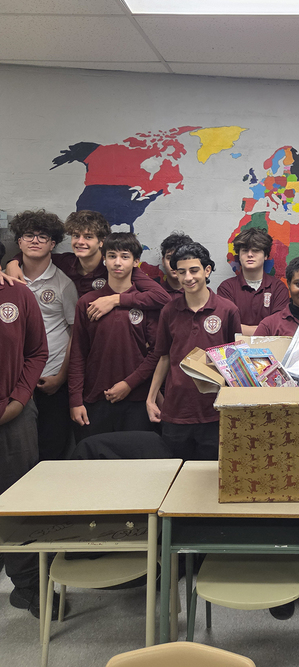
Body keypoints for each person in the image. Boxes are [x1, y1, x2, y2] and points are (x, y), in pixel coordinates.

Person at [146, 242, 241, 461]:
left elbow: (235, 362)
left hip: (215, 411)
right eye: (182, 272)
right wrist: (151, 399)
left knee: (210, 473)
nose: (188, 277)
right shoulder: (169, 311)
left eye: (194, 270)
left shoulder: (228, 310)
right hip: (176, 411)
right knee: (176, 471)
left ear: (207, 270)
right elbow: (164, 357)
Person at [69, 233, 167, 441]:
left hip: (137, 399)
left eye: (125, 256)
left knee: (134, 457)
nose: (117, 262)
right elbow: (78, 353)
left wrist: (129, 383)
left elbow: (156, 353)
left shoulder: (146, 303)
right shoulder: (88, 302)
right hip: (95, 398)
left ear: (136, 261)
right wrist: (75, 400)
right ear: (104, 259)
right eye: (112, 256)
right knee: (93, 455)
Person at [0, 246, 54, 619]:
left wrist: (19, 400)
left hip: (13, 414)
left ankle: (29, 586)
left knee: (19, 502)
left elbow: (37, 352)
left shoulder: (18, 294)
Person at [9, 210, 78, 459]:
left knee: (51, 450)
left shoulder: (64, 284)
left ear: (52, 244)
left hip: (50, 380)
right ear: (19, 242)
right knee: (18, 452)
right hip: (15, 381)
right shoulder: (7, 281)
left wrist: (61, 377)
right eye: (29, 235)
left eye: (42, 236)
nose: (35, 241)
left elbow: (75, 334)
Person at [5, 209, 170, 314]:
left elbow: (162, 298)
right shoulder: (65, 262)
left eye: (88, 237)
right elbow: (38, 254)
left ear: (101, 242)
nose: (80, 242)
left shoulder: (116, 266)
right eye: (76, 236)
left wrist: (115, 299)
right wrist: (13, 262)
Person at [217, 227, 289, 335]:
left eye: (256, 250)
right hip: (236, 345)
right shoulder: (227, 288)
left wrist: (241, 329)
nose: (250, 254)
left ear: (265, 255)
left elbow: (278, 327)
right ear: (239, 256)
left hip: (271, 345)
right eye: (245, 250)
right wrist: (266, 330)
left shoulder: (278, 288)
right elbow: (226, 325)